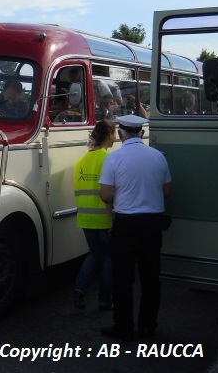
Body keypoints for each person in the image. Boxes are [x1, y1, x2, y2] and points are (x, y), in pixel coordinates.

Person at [98, 114, 172, 342]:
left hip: (125, 225)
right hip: (151, 224)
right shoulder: (158, 157)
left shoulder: (113, 159)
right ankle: (148, 325)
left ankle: (124, 327)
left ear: (120, 134)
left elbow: (106, 195)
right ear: (142, 133)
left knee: (123, 279)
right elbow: (167, 191)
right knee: (150, 278)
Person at [72, 120, 117, 311]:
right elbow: (108, 195)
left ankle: (79, 289)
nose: (116, 137)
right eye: (115, 133)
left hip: (85, 219)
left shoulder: (81, 161)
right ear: (109, 135)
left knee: (93, 255)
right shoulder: (108, 159)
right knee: (108, 258)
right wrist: (113, 219)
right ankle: (105, 300)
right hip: (103, 219)